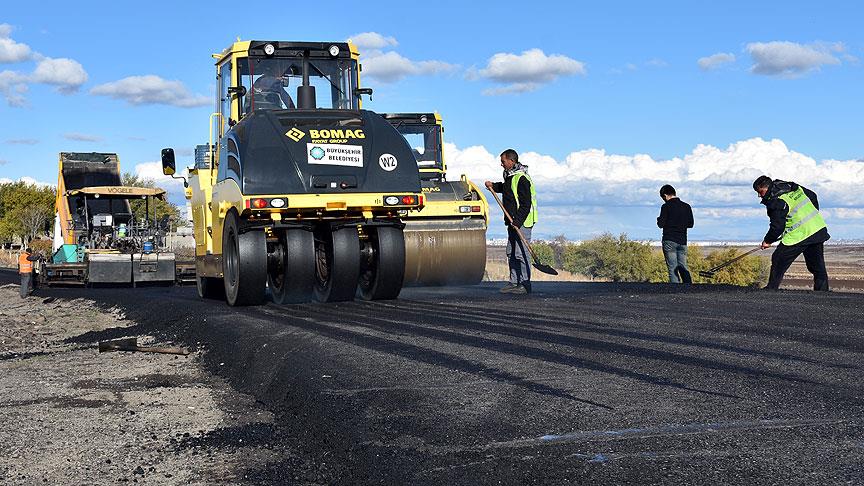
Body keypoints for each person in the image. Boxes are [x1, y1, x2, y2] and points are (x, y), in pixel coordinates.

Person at [753, 176, 829, 291]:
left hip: (799, 235)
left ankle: (771, 290)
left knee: (778, 258)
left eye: (760, 192)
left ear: (767, 188)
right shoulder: (792, 187)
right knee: (818, 267)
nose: (760, 196)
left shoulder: (776, 201)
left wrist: (767, 241)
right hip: (817, 229)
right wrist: (812, 215)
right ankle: (823, 293)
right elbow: (813, 196)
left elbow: (777, 227)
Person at [484, 149, 538, 294]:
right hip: (512, 222)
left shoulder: (522, 179)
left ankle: (525, 284)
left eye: (503, 161)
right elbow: (506, 189)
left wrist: (517, 222)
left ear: (511, 161)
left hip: (523, 223)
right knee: (511, 252)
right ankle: (514, 282)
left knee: (521, 253)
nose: (501, 164)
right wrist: (493, 186)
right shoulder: (510, 176)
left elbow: (526, 204)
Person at [656, 184, 694, 283]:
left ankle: (675, 290)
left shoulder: (666, 207)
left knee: (672, 269)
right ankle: (688, 288)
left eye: (663, 198)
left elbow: (661, 224)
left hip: (669, 240)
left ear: (665, 195)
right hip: (682, 241)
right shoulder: (686, 206)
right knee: (683, 266)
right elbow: (690, 224)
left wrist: (659, 219)